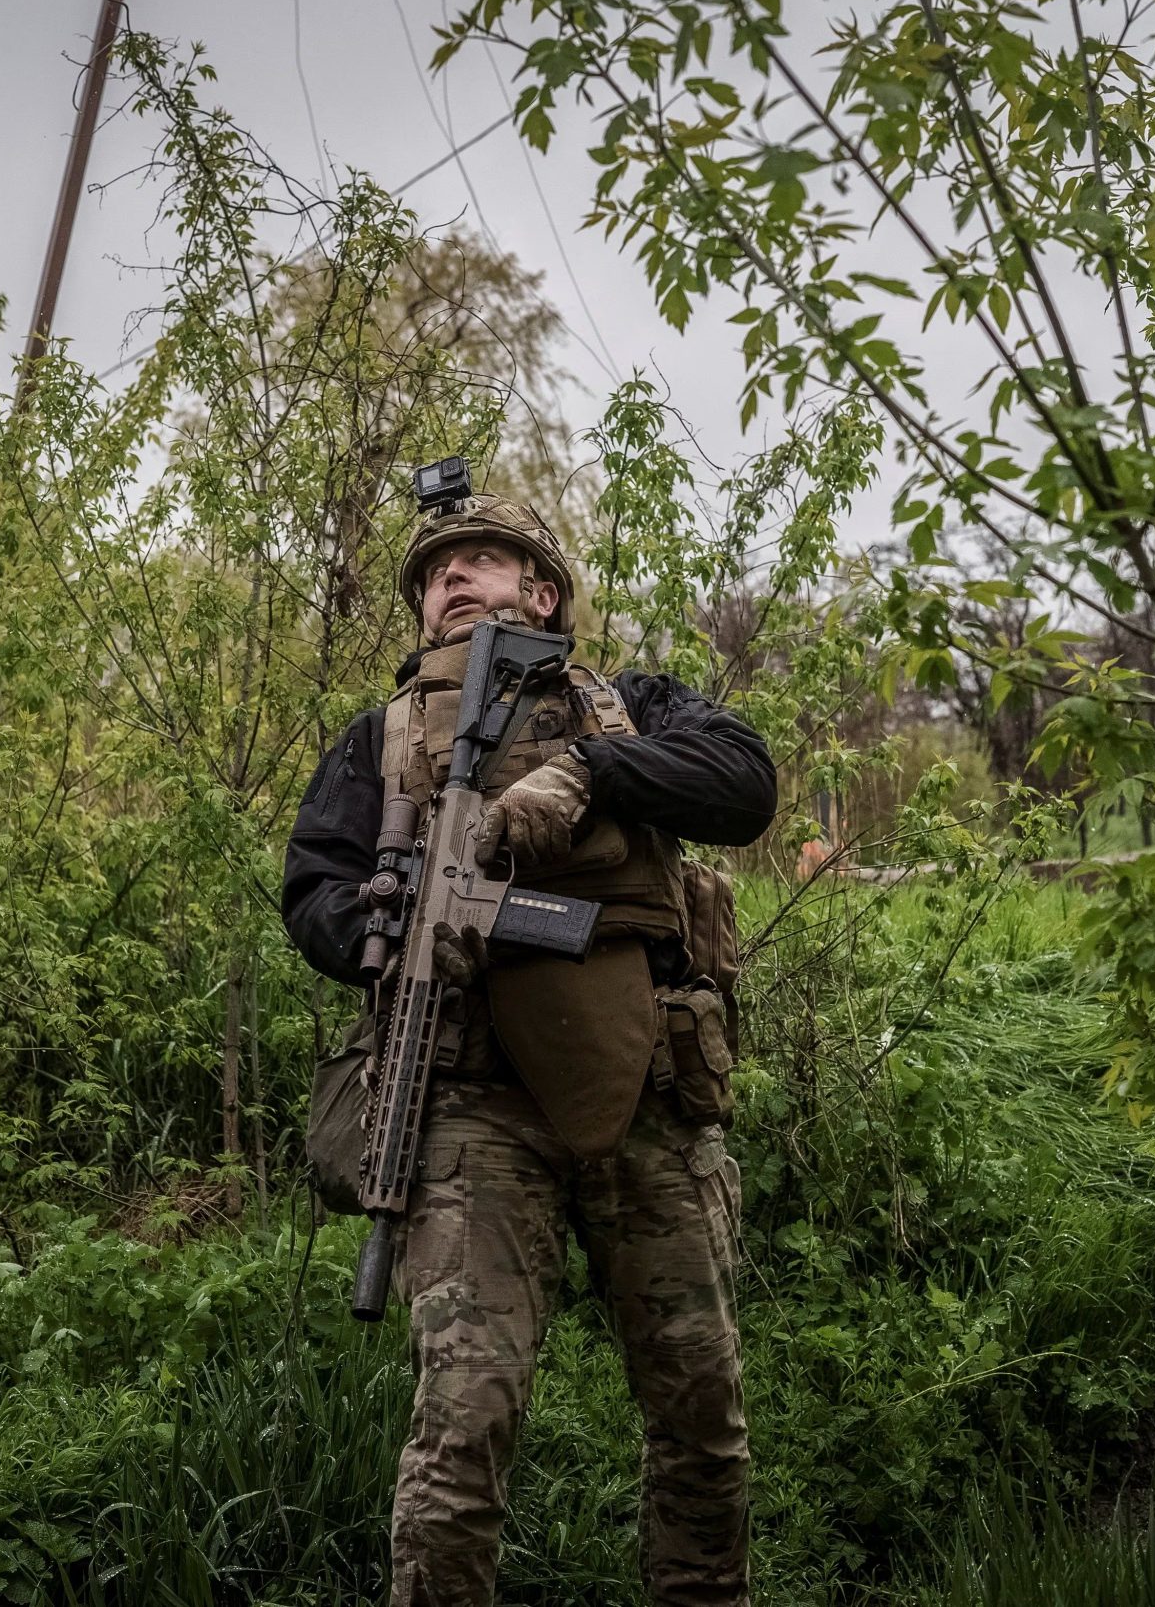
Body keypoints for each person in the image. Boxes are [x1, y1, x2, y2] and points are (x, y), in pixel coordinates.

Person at [281, 489, 777, 1606]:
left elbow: (744, 782)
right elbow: (309, 883)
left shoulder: (627, 702)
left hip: (644, 1091)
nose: (448, 576)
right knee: (460, 1430)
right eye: (433, 569)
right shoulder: (381, 735)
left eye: (477, 559)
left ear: (541, 592)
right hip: (467, 1106)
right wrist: (373, 920)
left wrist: (593, 772)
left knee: (700, 1412)